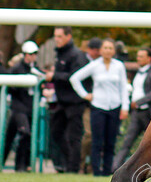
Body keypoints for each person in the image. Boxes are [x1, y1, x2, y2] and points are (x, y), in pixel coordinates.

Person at [70, 38, 129, 176]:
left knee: (111, 141)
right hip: (98, 106)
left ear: (114, 51)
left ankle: (107, 170)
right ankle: (96, 170)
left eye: (110, 48)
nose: (107, 51)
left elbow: (123, 88)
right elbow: (75, 78)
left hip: (114, 106)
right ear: (101, 50)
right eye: (105, 48)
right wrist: (85, 94)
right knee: (97, 140)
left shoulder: (119, 66)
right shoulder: (94, 65)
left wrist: (124, 107)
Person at [45, 27, 88, 173]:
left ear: (68, 37)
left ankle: (73, 169)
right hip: (62, 103)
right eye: (55, 36)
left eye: (59, 36)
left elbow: (75, 77)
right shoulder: (61, 54)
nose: (56, 39)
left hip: (75, 103)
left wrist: (54, 76)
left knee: (73, 137)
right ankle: (69, 163)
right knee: (56, 132)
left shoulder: (77, 55)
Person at [112, 47, 151, 171]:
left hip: (149, 113)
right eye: (138, 56)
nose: (138, 58)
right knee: (127, 141)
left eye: (141, 56)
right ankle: (114, 168)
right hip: (137, 113)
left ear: (149, 58)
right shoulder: (138, 73)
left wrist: (139, 102)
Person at [3, 41, 44, 172]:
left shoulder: (36, 69)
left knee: (24, 136)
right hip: (18, 109)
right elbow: (10, 88)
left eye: (35, 54)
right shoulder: (16, 69)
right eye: (30, 54)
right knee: (22, 134)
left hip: (31, 109)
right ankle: (18, 165)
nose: (32, 57)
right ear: (25, 54)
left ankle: (23, 165)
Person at [80, 37, 102, 174]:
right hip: (87, 105)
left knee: (98, 137)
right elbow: (75, 78)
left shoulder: (104, 63)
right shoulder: (83, 61)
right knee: (88, 135)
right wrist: (85, 94)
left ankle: (92, 165)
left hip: (101, 105)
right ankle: (82, 163)